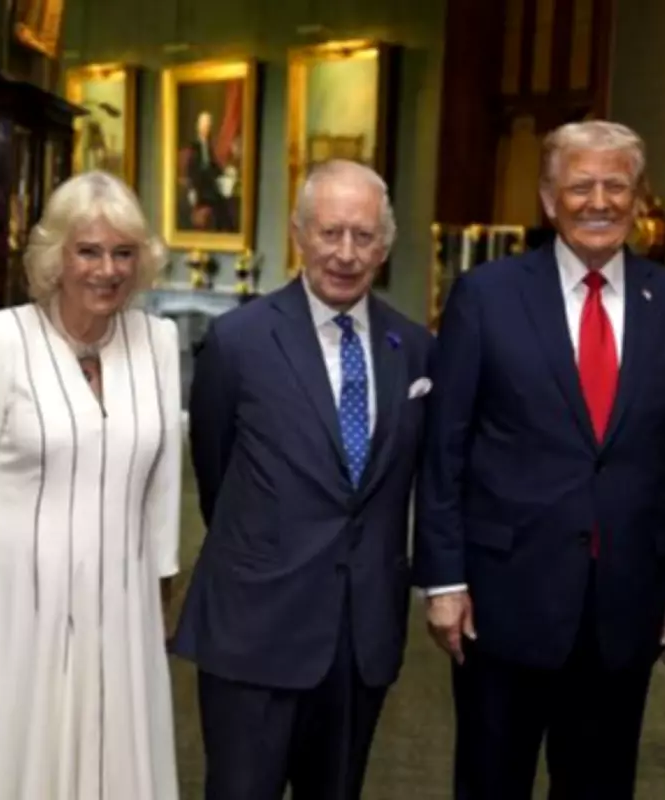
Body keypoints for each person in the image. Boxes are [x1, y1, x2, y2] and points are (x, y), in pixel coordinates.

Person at [414, 120, 665, 798]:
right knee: (492, 782)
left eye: (617, 186)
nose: (599, 202)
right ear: (550, 200)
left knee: (600, 785)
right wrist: (443, 580)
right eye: (581, 187)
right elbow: (444, 450)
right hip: (501, 600)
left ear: (638, 197)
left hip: (626, 603)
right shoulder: (485, 296)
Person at [172, 159, 433, 800]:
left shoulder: (415, 348)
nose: (346, 253)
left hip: (360, 636)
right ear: (298, 234)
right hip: (255, 628)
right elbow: (216, 473)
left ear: (385, 245)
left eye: (363, 236)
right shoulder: (237, 342)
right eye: (330, 232)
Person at [0, 170, 182, 799]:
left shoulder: (158, 341)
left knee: (115, 756)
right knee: (15, 759)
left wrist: (158, 599)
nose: (107, 270)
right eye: (88, 251)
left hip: (122, 601)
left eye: (124, 253)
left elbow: (163, 486)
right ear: (55, 258)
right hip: (14, 602)